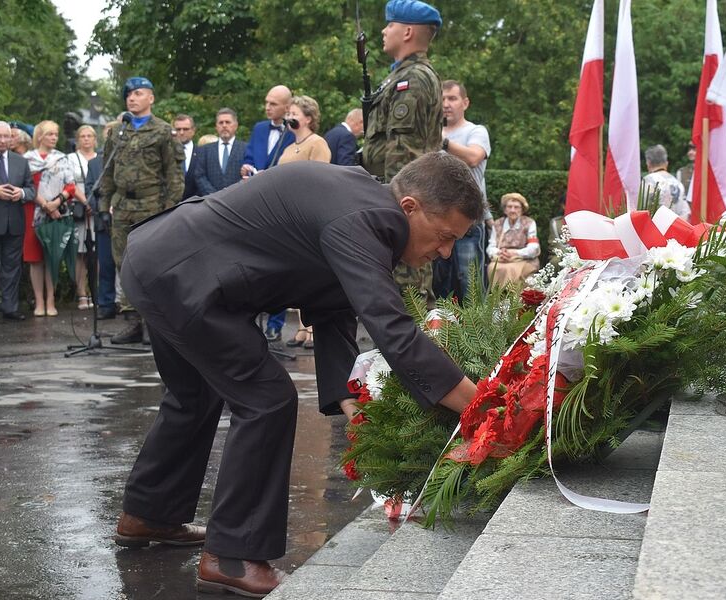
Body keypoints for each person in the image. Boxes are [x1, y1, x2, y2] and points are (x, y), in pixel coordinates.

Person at [113, 152, 482, 597]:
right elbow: (395, 332)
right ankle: (231, 557)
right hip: (181, 277)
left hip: (161, 261)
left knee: (194, 395)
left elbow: (333, 310)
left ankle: (149, 514)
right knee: (266, 398)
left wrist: (350, 399)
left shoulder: (361, 206)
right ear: (409, 207)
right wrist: (481, 407)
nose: (444, 253)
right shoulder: (363, 219)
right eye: (444, 237)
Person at [363, 0, 445, 306]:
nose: (385, 31)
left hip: (403, 207)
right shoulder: (400, 76)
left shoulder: (412, 80)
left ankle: (409, 354)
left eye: (390, 25)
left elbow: (404, 152)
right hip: (400, 203)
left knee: (405, 296)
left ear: (408, 31)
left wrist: (390, 203)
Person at [100, 76, 185, 344]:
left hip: (152, 206)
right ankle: (133, 322)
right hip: (123, 205)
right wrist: (104, 205)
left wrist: (169, 210)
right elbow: (108, 173)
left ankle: (154, 324)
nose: (132, 98)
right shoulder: (117, 131)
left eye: (138, 93)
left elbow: (174, 175)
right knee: (123, 264)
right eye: (128, 94)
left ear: (151, 98)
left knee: (151, 265)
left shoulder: (163, 131)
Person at [270, 95, 332, 347]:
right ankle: (302, 327)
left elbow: (320, 178)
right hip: (286, 217)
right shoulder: (287, 147)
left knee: (310, 272)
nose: (289, 117)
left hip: (306, 215)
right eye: (289, 113)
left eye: (294, 113)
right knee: (294, 273)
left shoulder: (317, 143)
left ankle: (314, 328)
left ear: (308, 117)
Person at [434, 79, 492, 302]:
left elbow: (474, 157)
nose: (446, 104)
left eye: (452, 98)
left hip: (468, 221)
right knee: (439, 284)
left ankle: (478, 335)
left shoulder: (476, 131)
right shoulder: (434, 133)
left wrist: (441, 141)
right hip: (436, 219)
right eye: (442, 99)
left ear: (465, 102)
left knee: (470, 284)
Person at [23, 120, 78, 317]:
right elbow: (26, 185)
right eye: (50, 134)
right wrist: (45, 205)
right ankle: (39, 302)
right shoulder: (27, 159)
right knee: (36, 259)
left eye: (56, 134)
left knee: (52, 257)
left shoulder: (62, 158)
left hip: (57, 211)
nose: (54, 137)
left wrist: (55, 204)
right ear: (40, 136)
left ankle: (51, 300)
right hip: (33, 213)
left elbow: (71, 186)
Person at [0, 121, 36, 320]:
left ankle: (9, 307)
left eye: (6, 136)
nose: (3, 140)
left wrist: (21, 193)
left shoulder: (21, 161)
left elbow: (31, 190)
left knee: (12, 267)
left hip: (14, 222)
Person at [85, 122, 118, 320]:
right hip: (104, 220)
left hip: (127, 217)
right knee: (105, 264)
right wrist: (103, 207)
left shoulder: (130, 160)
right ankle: (106, 304)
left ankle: (130, 306)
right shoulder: (95, 163)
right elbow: (91, 189)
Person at [67, 125, 98, 310]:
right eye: (83, 136)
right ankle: (82, 294)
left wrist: (94, 204)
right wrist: (86, 202)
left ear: (95, 139)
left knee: (98, 253)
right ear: (78, 139)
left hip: (97, 209)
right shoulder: (71, 159)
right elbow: (70, 183)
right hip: (79, 208)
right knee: (80, 253)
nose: (86, 139)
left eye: (89, 136)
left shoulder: (101, 158)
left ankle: (97, 292)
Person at [241, 85, 295, 178]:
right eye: (266, 102)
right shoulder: (259, 128)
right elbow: (249, 157)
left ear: (287, 108)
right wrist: (247, 167)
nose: (267, 107)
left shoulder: (294, 132)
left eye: (273, 104)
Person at [487, 192, 540, 285]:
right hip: (501, 259)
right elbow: (490, 247)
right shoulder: (498, 224)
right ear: (505, 210)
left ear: (522, 210)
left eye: (516, 207)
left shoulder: (529, 223)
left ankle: (515, 298)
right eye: (509, 207)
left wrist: (514, 253)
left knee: (511, 270)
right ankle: (497, 297)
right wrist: (500, 253)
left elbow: (534, 247)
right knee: (493, 267)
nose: (512, 210)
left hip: (523, 259)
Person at [193, 108, 245, 197]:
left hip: (238, 200)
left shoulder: (246, 149)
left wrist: (233, 194)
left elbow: (248, 176)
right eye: (221, 123)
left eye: (228, 122)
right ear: (216, 126)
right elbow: (200, 176)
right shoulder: (205, 150)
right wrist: (214, 195)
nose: (224, 126)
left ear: (236, 125)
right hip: (210, 201)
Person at [642, 144, 689, 219]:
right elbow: (685, 213)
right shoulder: (678, 184)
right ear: (666, 163)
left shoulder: (647, 181)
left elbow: (639, 211)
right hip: (675, 229)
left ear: (648, 163)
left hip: (653, 229)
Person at [173, 114, 199, 200]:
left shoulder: (202, 153)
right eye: (178, 129)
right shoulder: (166, 152)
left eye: (185, 129)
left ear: (193, 130)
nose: (181, 132)